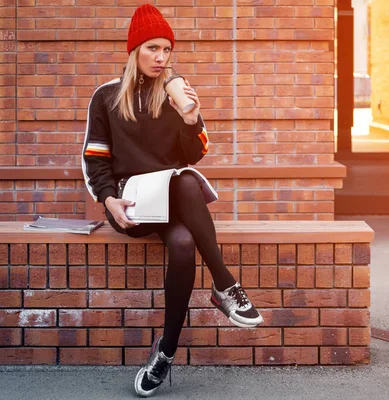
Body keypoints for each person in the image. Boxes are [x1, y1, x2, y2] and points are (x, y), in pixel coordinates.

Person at [81, 4, 263, 397]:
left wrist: (190, 117)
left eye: (167, 49)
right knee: (184, 183)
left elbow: (195, 154)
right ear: (135, 51)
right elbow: (95, 159)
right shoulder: (107, 97)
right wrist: (108, 200)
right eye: (152, 48)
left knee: (183, 235)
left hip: (174, 196)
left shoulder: (175, 93)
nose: (161, 58)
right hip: (131, 202)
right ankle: (225, 282)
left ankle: (164, 353)